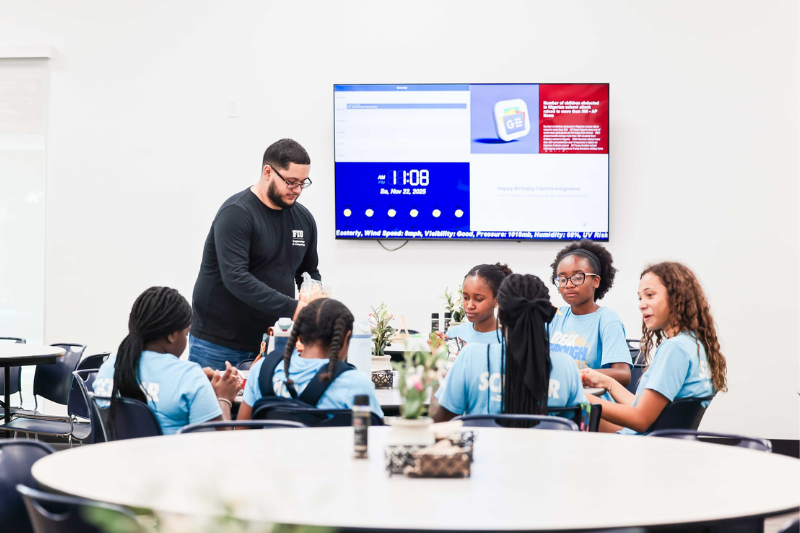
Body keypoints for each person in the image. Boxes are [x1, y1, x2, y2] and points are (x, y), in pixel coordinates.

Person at [189, 138, 320, 370]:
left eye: (303, 182)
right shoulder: (237, 214)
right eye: (291, 182)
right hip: (219, 345)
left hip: (273, 343)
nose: (298, 190)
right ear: (268, 172)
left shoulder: (304, 219)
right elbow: (236, 278)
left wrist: (314, 299)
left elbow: (308, 273)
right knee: (218, 406)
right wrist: (294, 308)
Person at [580, 262, 727, 434]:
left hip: (636, 448)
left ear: (676, 296)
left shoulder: (674, 350)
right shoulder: (694, 346)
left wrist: (580, 397)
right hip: (656, 445)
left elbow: (640, 419)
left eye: (650, 295)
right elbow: (644, 408)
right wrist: (607, 382)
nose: (641, 304)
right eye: (640, 298)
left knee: (574, 416)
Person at [433, 273, 587, 422]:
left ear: (500, 314)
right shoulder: (566, 366)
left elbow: (442, 421)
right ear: (545, 313)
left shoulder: (471, 356)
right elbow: (583, 425)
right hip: (544, 448)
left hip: (483, 449)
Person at [93, 287, 241, 436]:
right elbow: (219, 443)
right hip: (170, 459)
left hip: (117, 457)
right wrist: (224, 397)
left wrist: (196, 382)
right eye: (186, 333)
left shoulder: (109, 367)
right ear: (171, 335)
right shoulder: (189, 377)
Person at [237, 298, 383, 421]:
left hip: (268, 454)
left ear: (299, 335)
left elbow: (242, 431)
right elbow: (376, 437)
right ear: (345, 338)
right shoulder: (356, 383)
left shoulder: (263, 369)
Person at [547, 240, 632, 386]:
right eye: (562, 279)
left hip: (592, 403)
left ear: (596, 281)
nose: (568, 284)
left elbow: (623, 375)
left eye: (578, 277)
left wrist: (574, 374)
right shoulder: (555, 316)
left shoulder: (607, 319)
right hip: (557, 399)